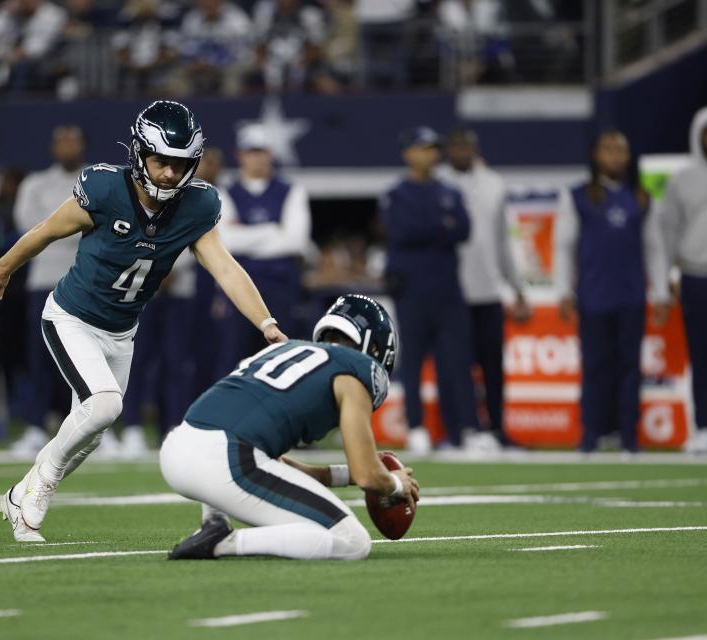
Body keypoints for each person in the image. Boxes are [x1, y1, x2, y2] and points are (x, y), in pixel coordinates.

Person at [0, 100, 287, 542]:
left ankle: (20, 491)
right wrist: (5, 264)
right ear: (139, 154)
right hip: (72, 317)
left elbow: (227, 269)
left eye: (180, 165)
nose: (170, 175)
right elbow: (45, 230)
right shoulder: (104, 189)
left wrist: (266, 323)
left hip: (122, 331)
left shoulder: (197, 206)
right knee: (104, 406)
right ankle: (35, 491)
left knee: (94, 431)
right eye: (161, 162)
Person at [162, 294, 418, 561]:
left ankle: (214, 522)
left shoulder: (287, 350)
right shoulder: (355, 371)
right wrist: (394, 485)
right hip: (225, 459)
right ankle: (224, 543)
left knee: (256, 463)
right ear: (376, 350)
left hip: (179, 449)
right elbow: (368, 476)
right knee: (352, 542)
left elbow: (273, 465)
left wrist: (347, 476)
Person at [554, 128, 670, 453]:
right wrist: (564, 291)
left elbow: (655, 249)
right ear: (596, 155)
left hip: (631, 296)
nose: (615, 156)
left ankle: (628, 437)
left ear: (629, 156)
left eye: (620, 150)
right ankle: (591, 435)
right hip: (593, 296)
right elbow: (563, 247)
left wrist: (660, 293)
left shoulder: (642, 197)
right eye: (608, 149)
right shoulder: (578, 196)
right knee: (595, 367)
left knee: (629, 368)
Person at [380, 126, 476, 453]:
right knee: (414, 362)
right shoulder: (397, 194)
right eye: (422, 148)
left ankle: (466, 429)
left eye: (433, 148)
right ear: (408, 153)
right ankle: (417, 427)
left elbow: (463, 229)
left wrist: (432, 229)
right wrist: (440, 227)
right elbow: (402, 231)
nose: (429, 154)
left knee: (458, 362)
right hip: (412, 290)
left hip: (448, 289)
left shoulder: (450, 191)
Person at [437, 126, 530, 450]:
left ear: (475, 149)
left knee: (492, 367)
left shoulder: (494, 183)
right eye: (456, 145)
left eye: (467, 145)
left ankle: (497, 429)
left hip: (488, 289)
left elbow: (504, 240)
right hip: (452, 292)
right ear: (448, 149)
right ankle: (457, 431)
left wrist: (516, 287)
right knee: (453, 367)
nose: (462, 150)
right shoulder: (438, 184)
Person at [10, 125, 85, 458]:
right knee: (40, 358)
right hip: (43, 281)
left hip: (84, 282)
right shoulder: (36, 183)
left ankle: (88, 427)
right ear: (54, 147)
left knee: (86, 357)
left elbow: (104, 227)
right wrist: (74, 225)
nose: (67, 148)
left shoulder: (95, 180)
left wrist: (50, 228)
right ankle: (36, 426)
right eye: (62, 142)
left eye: (73, 142)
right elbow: (26, 225)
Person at [214, 123, 312, 379]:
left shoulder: (291, 190)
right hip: (239, 289)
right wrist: (272, 230)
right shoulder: (225, 192)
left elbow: (295, 241)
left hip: (281, 287)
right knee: (236, 359)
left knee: (284, 360)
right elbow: (226, 242)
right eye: (251, 151)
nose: (256, 157)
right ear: (240, 155)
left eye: (261, 151)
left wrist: (245, 233)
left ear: (270, 153)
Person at [661, 107, 707, 454]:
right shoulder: (682, 179)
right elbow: (668, 232)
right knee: (700, 354)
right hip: (695, 275)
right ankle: (703, 427)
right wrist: (670, 274)